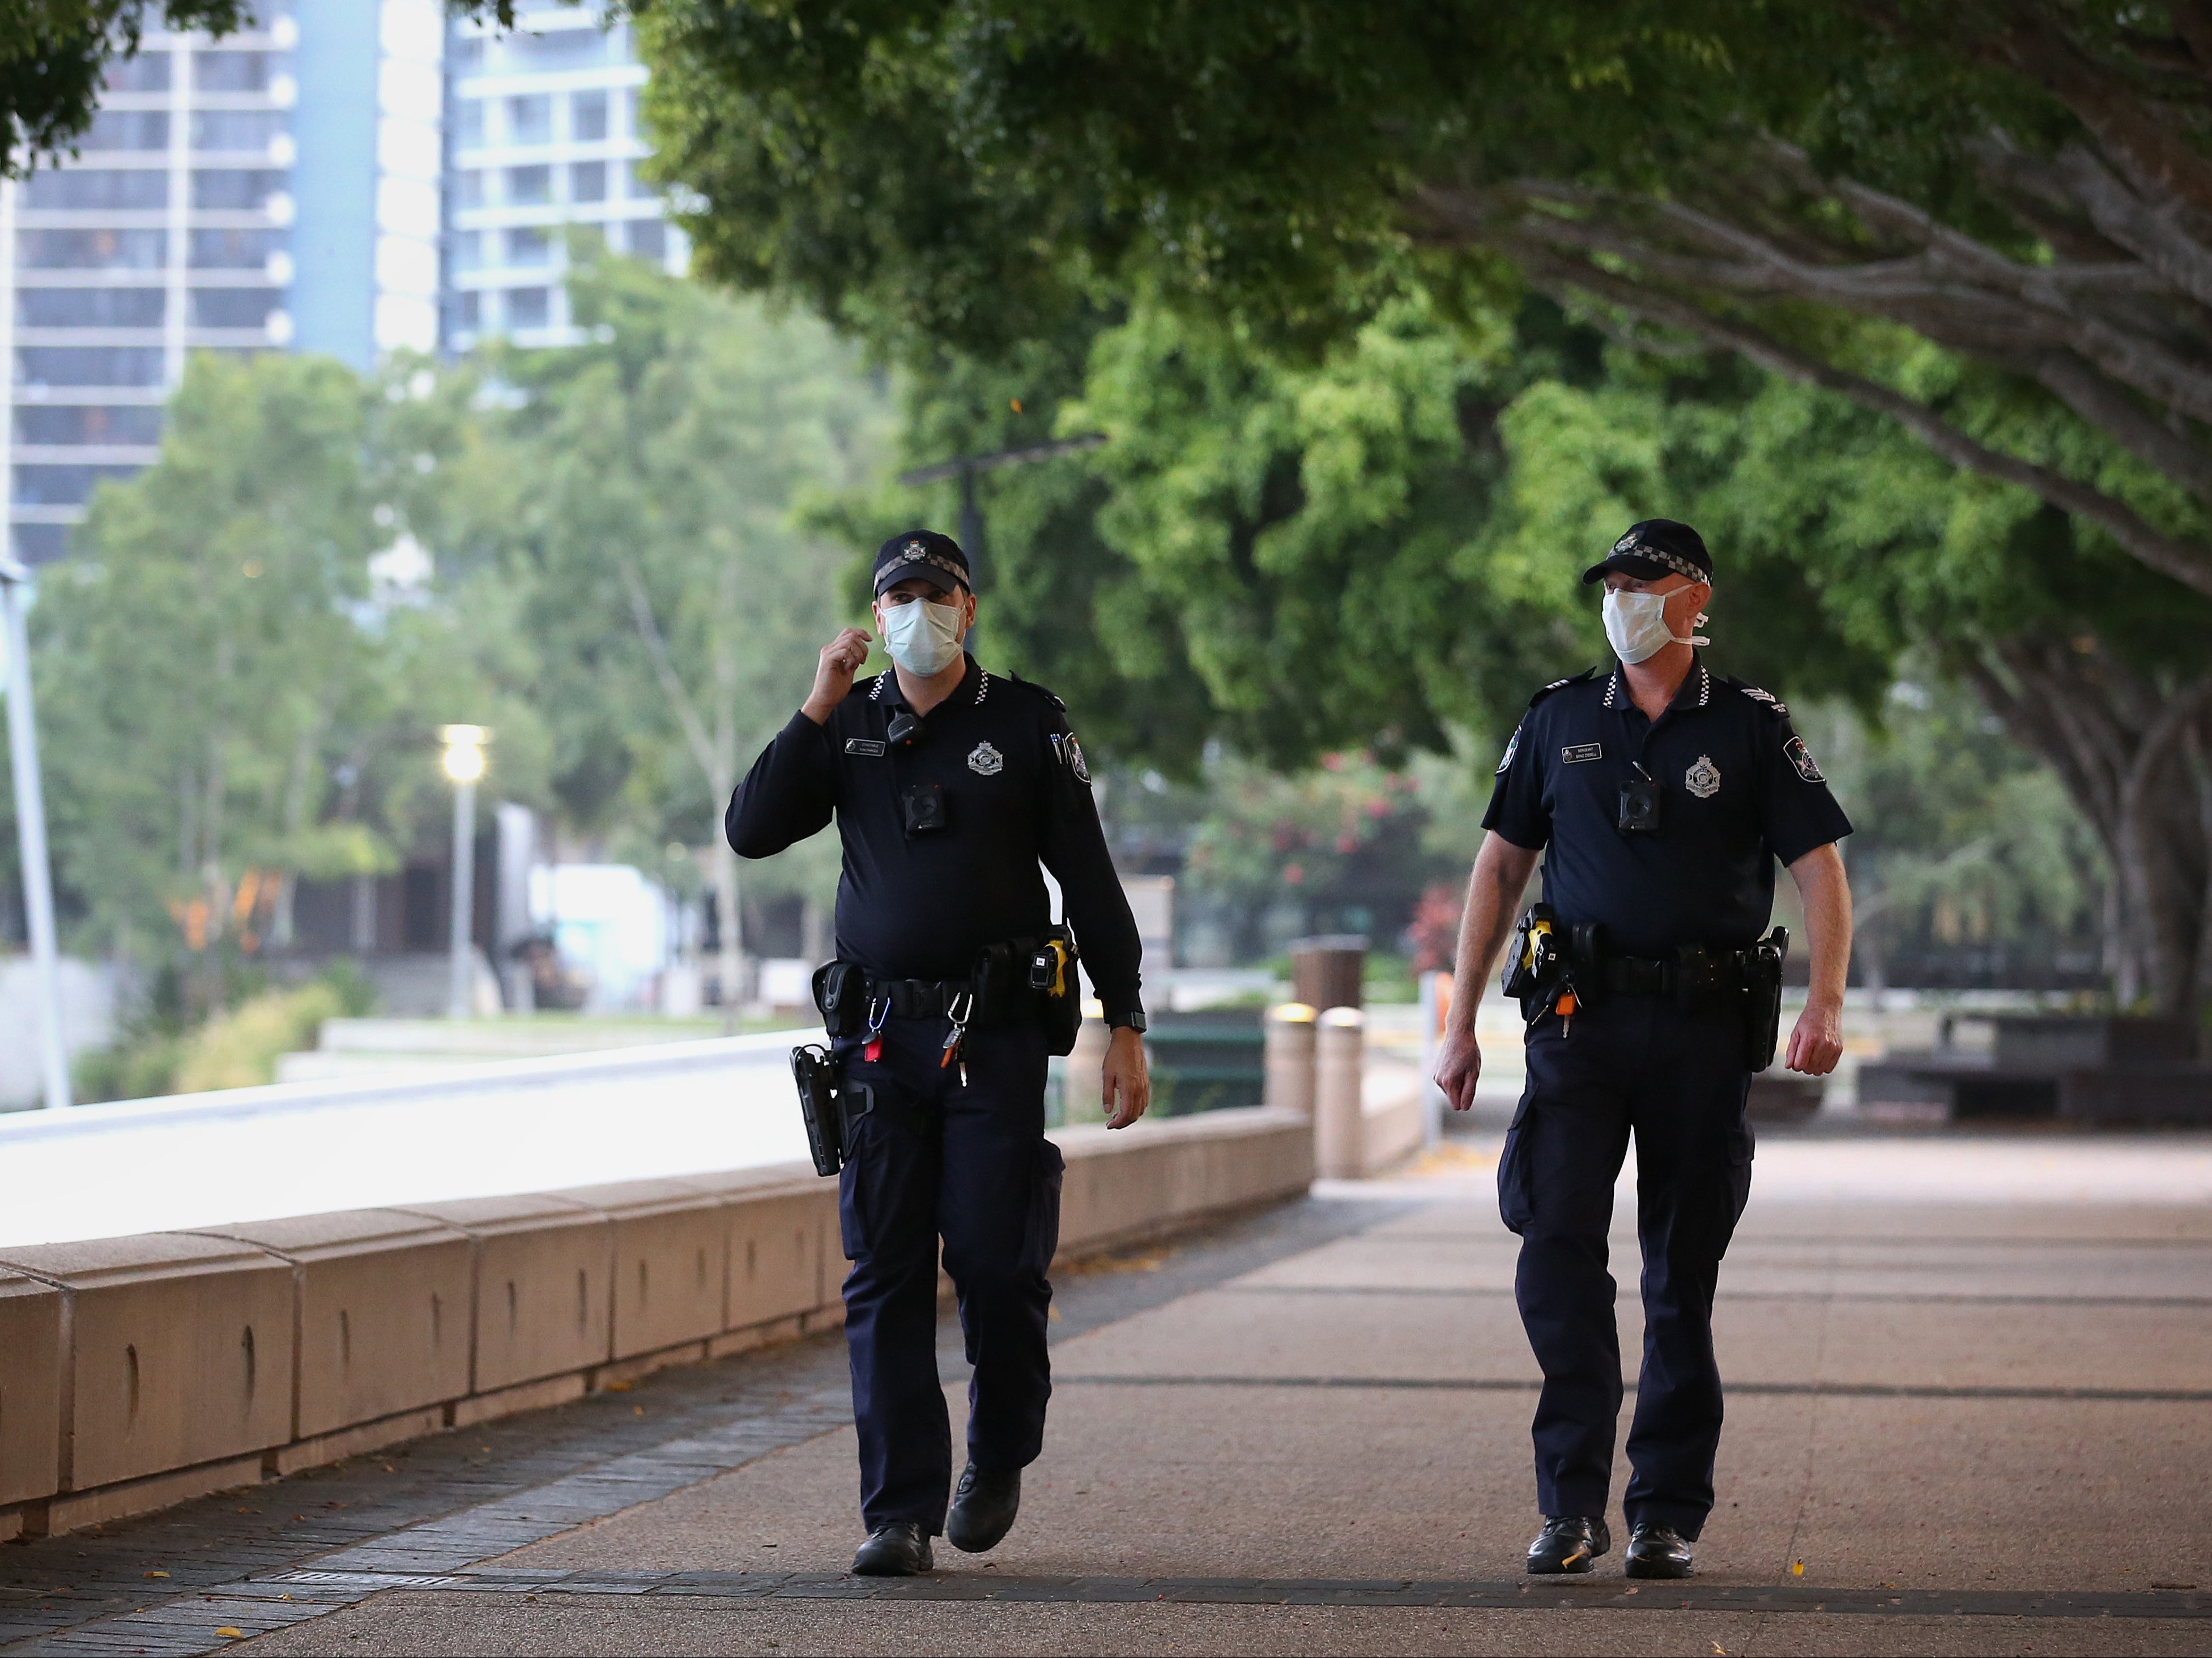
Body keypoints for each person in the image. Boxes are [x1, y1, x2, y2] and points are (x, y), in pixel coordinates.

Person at [1432, 519, 1853, 1581]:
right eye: (1611, 582)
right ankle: (1570, 1504)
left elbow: (1819, 869)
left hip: (1705, 1030)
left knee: (1680, 1278)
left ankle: (1665, 1511)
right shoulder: (1558, 718)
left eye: (1643, 581)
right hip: (1577, 1026)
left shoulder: (1752, 725)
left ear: (1694, 599)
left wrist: (1825, 1003)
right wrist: (1459, 1020)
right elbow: (1496, 870)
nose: (1622, 597)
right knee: (1556, 1251)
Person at [727, 528, 1151, 1578]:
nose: (918, 611)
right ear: (876, 619)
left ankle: (999, 1449)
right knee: (882, 1270)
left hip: (992, 1038)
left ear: (970, 610)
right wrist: (818, 701)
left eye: (936, 593)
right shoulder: (849, 724)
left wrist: (1125, 1020)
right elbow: (749, 829)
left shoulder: (1025, 720)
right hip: (876, 1042)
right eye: (898, 596)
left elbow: (1088, 882)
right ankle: (898, 1513)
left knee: (995, 1264)